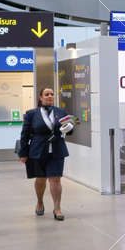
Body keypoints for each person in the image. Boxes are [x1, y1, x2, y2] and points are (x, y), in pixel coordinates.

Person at [18, 87, 74, 221]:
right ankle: (40, 202)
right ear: (41, 97)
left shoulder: (61, 112)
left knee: (55, 178)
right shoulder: (31, 114)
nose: (49, 96)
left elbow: (70, 130)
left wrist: (70, 128)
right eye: (46, 94)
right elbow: (24, 135)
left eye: (52, 94)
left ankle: (57, 208)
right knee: (41, 179)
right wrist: (23, 152)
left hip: (57, 150)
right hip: (37, 151)